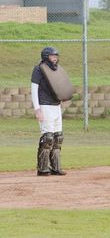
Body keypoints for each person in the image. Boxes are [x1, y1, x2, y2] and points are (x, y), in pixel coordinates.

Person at [31, 47, 67, 176]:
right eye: (52, 56)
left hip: (56, 106)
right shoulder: (38, 69)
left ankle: (55, 167)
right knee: (47, 138)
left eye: (56, 56)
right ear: (46, 56)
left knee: (58, 137)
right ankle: (42, 168)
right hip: (44, 106)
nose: (55, 58)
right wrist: (37, 109)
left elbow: (59, 86)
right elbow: (34, 90)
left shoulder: (56, 70)